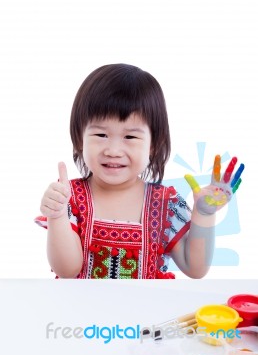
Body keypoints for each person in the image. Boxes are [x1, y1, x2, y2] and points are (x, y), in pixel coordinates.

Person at [35, 63, 244, 279]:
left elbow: (195, 268)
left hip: (148, 312)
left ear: (153, 145)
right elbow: (67, 270)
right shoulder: (70, 198)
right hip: (81, 311)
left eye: (130, 137)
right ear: (80, 138)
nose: (113, 151)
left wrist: (204, 214)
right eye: (100, 135)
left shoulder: (165, 203)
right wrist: (57, 215)